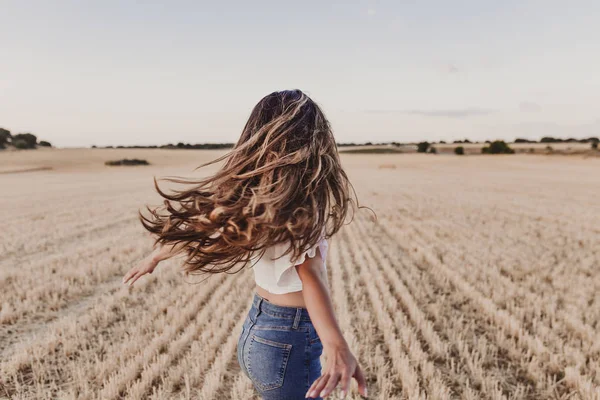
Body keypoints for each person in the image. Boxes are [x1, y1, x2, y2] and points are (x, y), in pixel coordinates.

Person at [122, 89, 368, 399]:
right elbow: (310, 272)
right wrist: (336, 344)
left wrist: (156, 255)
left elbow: (211, 225)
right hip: (288, 338)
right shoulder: (303, 199)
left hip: (259, 329)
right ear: (316, 139)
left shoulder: (257, 195)